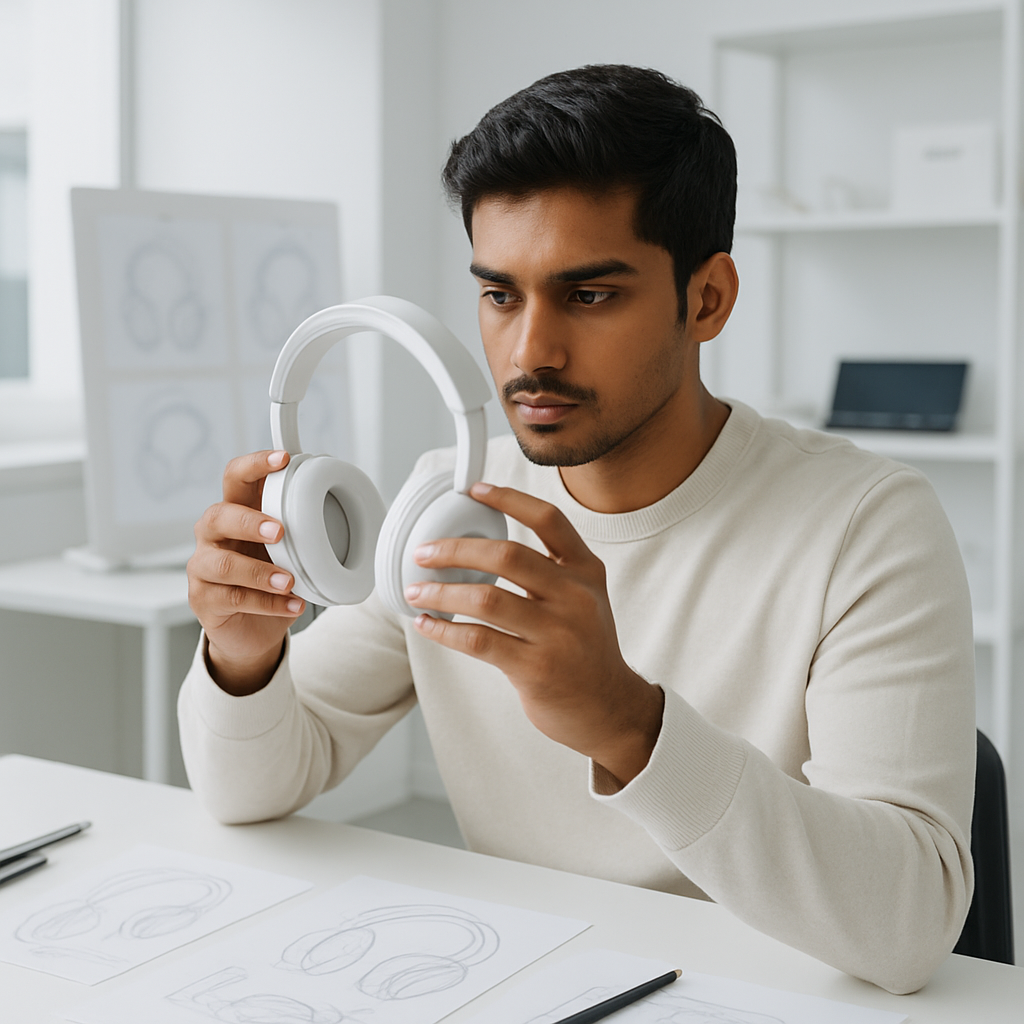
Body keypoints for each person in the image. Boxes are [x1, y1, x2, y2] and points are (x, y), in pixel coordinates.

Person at [179, 65, 975, 995]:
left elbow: (912, 926)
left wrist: (628, 725)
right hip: (515, 982)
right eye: (500, 295)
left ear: (707, 300)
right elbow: (252, 790)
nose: (530, 353)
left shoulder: (867, 526)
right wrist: (243, 657)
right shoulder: (452, 501)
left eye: (589, 296)